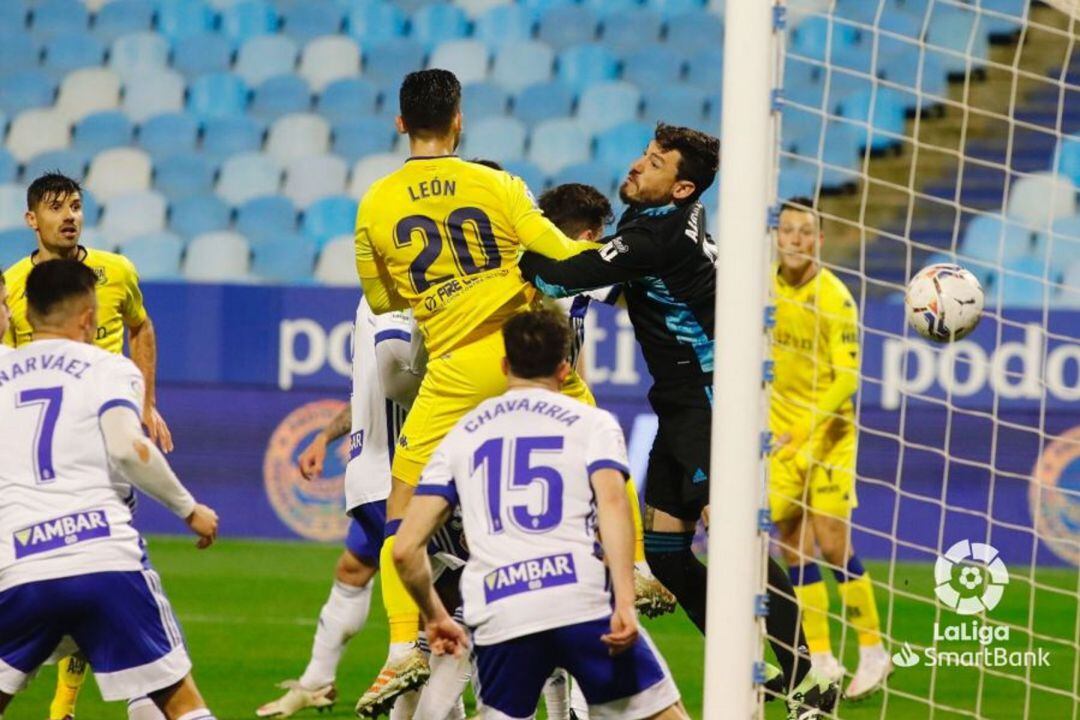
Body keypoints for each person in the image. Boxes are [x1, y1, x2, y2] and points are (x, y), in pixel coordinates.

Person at [518, 124, 838, 715]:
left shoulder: (656, 237)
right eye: (644, 154)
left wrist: (502, 241)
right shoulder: (661, 228)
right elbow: (623, 280)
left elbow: (555, 274)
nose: (639, 166)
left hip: (712, 399)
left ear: (682, 186)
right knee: (665, 551)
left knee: (734, 534)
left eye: (656, 162)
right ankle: (755, 664)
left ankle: (811, 675)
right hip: (681, 403)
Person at [352, 69, 592, 715]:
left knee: (400, 505)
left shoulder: (375, 202)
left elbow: (382, 299)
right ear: (459, 120)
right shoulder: (497, 184)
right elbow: (564, 256)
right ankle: (640, 570)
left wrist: (439, 292)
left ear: (401, 123)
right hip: (523, 349)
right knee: (599, 447)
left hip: (455, 365)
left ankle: (404, 647)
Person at [393, 309, 688, 720]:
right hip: (580, 599)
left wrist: (435, 615)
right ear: (566, 368)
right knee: (663, 712)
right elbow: (614, 507)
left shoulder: (462, 435)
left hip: (500, 609)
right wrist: (625, 599)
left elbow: (405, 549)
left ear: (503, 365)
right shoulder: (593, 423)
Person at [0, 259, 218, 720]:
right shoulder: (108, 366)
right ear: (87, 316)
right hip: (104, 558)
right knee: (177, 700)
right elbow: (125, 445)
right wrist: (188, 508)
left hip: (21, 566)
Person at [0, 173, 175, 720]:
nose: (69, 216)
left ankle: (65, 703)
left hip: (104, 443)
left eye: (76, 206)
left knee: (97, 547)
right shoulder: (13, 284)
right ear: (32, 219)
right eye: (56, 208)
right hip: (43, 451)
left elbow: (141, 328)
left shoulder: (116, 271)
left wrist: (143, 404)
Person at [255, 297, 419, 718]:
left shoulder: (405, 303)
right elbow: (371, 392)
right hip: (375, 476)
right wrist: (324, 436)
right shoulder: (374, 303)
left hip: (399, 473)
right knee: (355, 569)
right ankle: (317, 681)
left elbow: (403, 384)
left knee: (432, 607)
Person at [769, 198, 890, 700]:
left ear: (818, 240)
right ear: (777, 236)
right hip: (780, 436)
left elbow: (847, 381)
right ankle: (821, 656)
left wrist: (807, 427)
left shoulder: (835, 297)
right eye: (788, 230)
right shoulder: (762, 288)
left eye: (806, 232)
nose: (796, 239)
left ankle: (873, 650)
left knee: (833, 543)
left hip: (829, 436)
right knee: (789, 543)